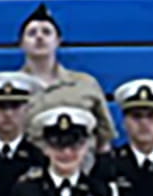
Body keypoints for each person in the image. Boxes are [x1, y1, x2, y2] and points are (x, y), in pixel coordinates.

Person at [17, 3, 116, 150]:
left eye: (46, 32)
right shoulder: (13, 88)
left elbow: (104, 136)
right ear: (21, 44)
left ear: (58, 40)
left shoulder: (85, 84)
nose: (39, 37)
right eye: (32, 33)